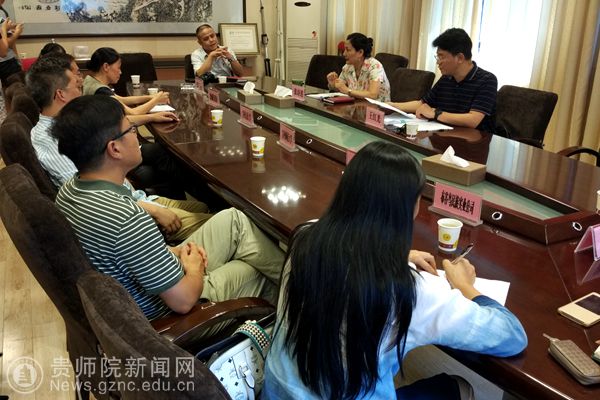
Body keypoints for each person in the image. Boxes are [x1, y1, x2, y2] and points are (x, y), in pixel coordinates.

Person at [263, 141, 527, 399]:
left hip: (277, 392)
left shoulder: (306, 236)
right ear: (408, 209)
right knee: (458, 386)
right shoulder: (411, 291)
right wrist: (464, 285)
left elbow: (350, 254)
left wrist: (399, 256)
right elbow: (512, 336)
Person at [52, 95, 284, 320]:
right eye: (131, 129)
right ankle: (295, 300)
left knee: (234, 219)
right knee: (253, 271)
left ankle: (296, 282)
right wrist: (194, 268)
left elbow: (133, 254)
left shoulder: (69, 190)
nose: (136, 134)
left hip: (156, 277)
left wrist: (175, 252)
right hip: (174, 311)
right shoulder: (127, 219)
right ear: (115, 149)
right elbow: (183, 301)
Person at [27, 55, 211, 243]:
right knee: (222, 223)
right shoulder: (50, 138)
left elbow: (113, 127)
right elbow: (91, 197)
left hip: (132, 197)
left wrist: (150, 118)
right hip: (129, 214)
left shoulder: (69, 122)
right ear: (61, 94)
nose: (81, 85)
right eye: (76, 84)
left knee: (204, 207)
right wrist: (154, 211)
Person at [390, 28, 497, 132]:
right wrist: (392, 106)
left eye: (441, 57)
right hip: (445, 134)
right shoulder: (446, 78)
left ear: (460, 58)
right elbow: (422, 104)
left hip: (472, 140)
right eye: (437, 57)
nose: (438, 62)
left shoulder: (487, 80)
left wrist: (436, 114)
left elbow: (473, 120)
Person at [82, 47, 170, 117]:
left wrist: (151, 97)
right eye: (118, 68)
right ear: (106, 67)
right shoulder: (101, 90)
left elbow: (121, 99)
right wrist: (156, 100)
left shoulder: (90, 80)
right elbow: (133, 113)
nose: (120, 72)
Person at [326, 33, 390, 101]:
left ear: (360, 52)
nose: (344, 54)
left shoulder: (375, 66)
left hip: (378, 107)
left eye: (348, 50)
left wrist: (348, 90)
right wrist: (333, 84)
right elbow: (342, 88)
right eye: (344, 50)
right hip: (357, 105)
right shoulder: (347, 67)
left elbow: (373, 95)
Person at [0, 0, 23, 89]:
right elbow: (4, 50)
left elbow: (8, 37)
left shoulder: (2, 11)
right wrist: (17, 33)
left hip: (9, 60)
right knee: (16, 93)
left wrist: (16, 57)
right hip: (5, 63)